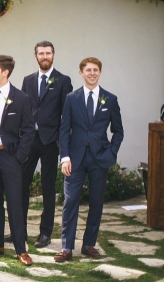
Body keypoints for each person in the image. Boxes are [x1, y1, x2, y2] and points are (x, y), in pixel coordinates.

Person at [54, 57, 123, 262]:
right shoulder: (71, 98)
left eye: (95, 70)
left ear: (100, 73)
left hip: (99, 159)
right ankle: (67, 248)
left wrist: (111, 153)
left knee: (96, 202)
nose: (92, 73)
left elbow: (118, 131)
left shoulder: (110, 99)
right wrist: (64, 157)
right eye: (88, 70)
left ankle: (89, 244)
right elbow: (64, 130)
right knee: (70, 201)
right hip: (74, 159)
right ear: (81, 73)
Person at [14, 41, 73, 248]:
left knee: (48, 188)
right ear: (35, 56)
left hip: (50, 141)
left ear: (53, 55)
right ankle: (18, 231)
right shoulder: (28, 80)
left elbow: (67, 114)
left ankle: (45, 233)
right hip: (29, 140)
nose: (45, 56)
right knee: (20, 185)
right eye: (41, 53)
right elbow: (22, 110)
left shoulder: (63, 80)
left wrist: (61, 139)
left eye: (48, 53)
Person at [0, 55, 35, 266]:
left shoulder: (21, 98)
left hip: (10, 156)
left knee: (14, 203)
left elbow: (29, 131)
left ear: (5, 72)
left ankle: (21, 249)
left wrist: (19, 157)